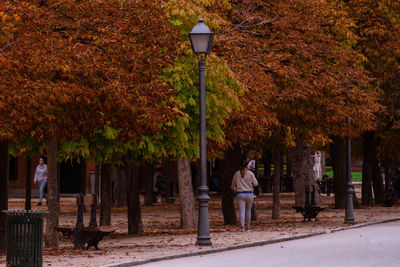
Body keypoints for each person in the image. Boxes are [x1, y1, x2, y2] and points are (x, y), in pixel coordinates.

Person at [231, 159, 258, 232]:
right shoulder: (250, 173)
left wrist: (235, 188)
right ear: (247, 165)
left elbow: (232, 185)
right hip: (249, 193)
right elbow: (256, 183)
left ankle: (242, 227)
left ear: (239, 165)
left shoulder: (237, 174)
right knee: (248, 211)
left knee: (242, 211)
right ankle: (248, 226)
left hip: (240, 194)